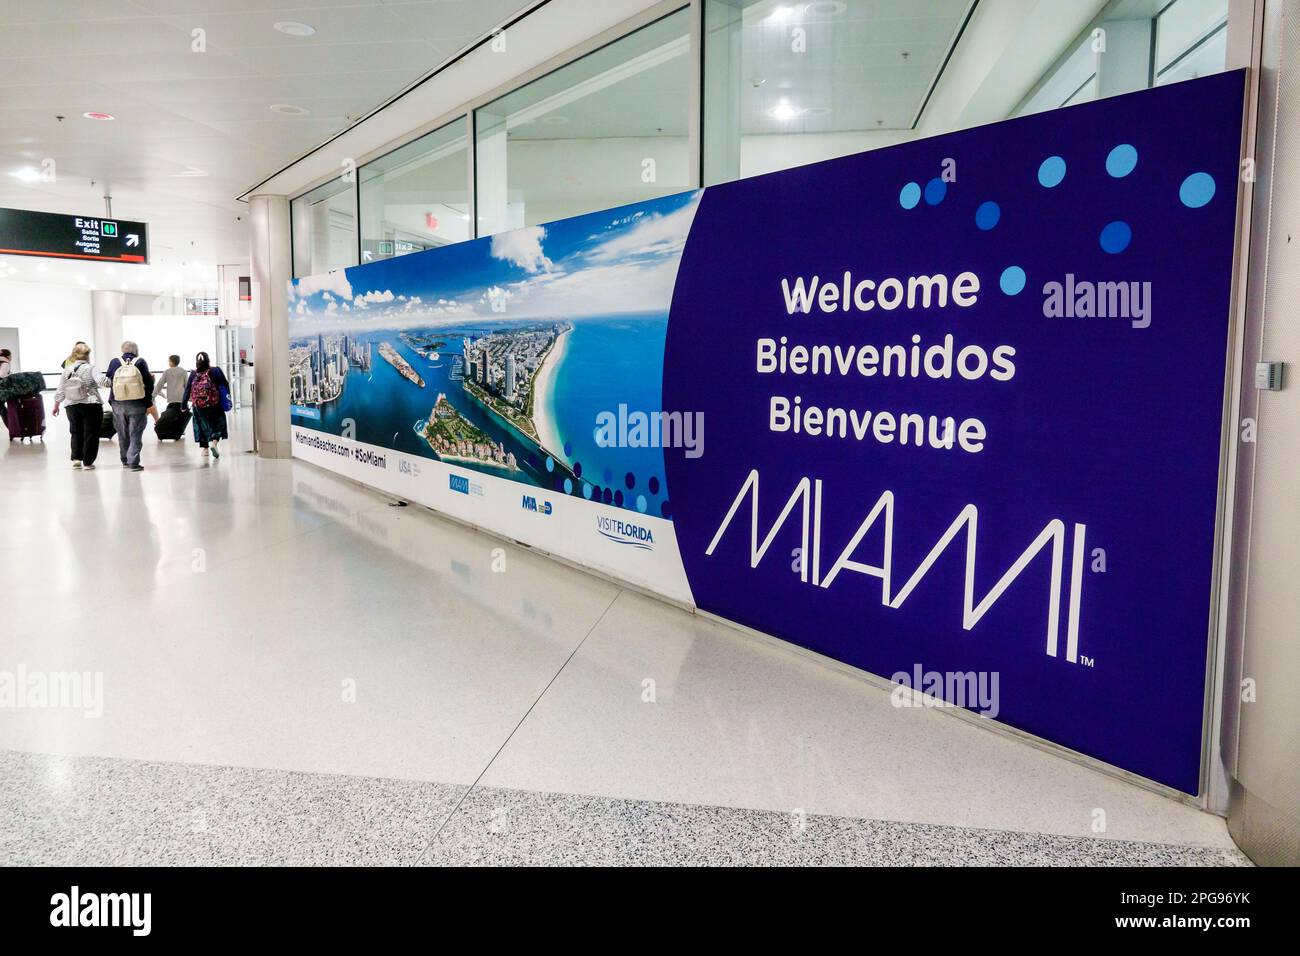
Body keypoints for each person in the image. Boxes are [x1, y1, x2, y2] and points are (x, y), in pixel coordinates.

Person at [52, 343, 111, 470]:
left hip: (71, 405)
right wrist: (111, 381)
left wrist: (56, 404)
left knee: (75, 431)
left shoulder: (67, 369)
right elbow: (102, 381)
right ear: (88, 355)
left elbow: (61, 389)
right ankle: (88, 462)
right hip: (91, 404)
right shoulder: (92, 368)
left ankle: (77, 459)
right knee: (91, 433)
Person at [104, 340, 156, 472]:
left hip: (118, 402)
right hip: (137, 402)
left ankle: (125, 460)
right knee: (136, 432)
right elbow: (148, 384)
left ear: (123, 350)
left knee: (122, 432)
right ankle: (134, 462)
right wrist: (149, 402)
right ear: (135, 350)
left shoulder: (115, 361)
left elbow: (109, 381)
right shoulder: (140, 362)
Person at [184, 351, 229, 459]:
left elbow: (187, 389)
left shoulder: (194, 373)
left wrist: (183, 405)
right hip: (214, 404)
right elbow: (224, 384)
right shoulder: (215, 370)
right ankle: (214, 442)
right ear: (208, 360)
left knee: (202, 424)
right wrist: (227, 399)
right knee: (218, 423)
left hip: (198, 406)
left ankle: (205, 450)